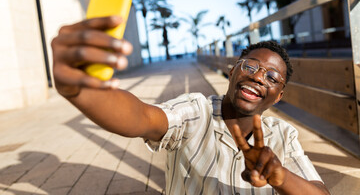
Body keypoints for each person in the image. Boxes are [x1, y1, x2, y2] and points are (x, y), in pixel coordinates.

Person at [51, 16, 330, 195]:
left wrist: (280, 176)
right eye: (251, 66)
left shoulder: (283, 134)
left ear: (278, 96)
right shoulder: (197, 111)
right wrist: (80, 90)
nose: (258, 77)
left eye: (272, 77)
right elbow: (141, 117)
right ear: (232, 71)